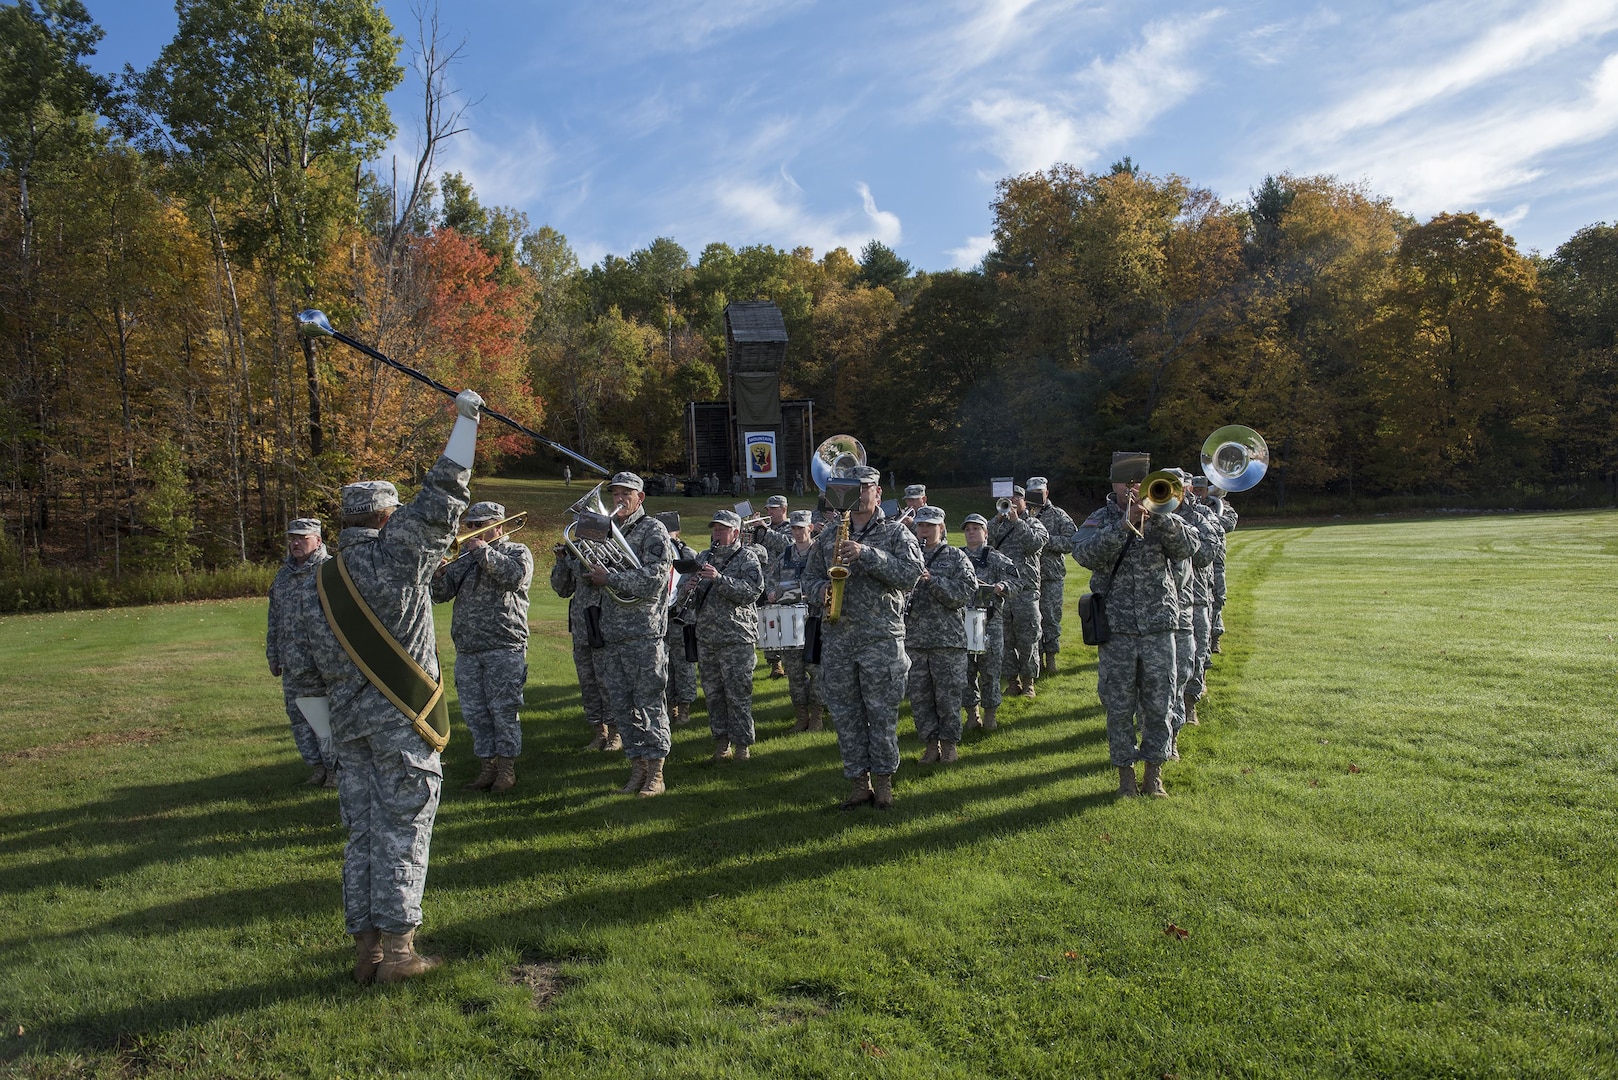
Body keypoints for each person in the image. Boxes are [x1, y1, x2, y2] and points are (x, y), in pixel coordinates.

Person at [283, 387, 482, 983]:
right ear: (386, 516)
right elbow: (446, 491)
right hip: (402, 725)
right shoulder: (399, 555)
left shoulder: (316, 580)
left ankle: (366, 949)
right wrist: (467, 421)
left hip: (347, 733)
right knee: (403, 831)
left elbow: (303, 674)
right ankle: (398, 952)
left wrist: (332, 741)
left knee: (362, 836)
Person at [1071, 451, 1194, 799]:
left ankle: (1154, 773)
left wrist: (1163, 518)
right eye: (1125, 482)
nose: (1132, 488)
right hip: (1117, 630)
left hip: (1158, 626)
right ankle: (1125, 776)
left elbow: (1190, 550)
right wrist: (1122, 526)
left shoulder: (1165, 512)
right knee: (1118, 703)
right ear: (1114, 484)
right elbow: (1083, 554)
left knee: (1160, 702)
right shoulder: (1099, 518)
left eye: (1138, 481)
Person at [803, 465, 923, 810]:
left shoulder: (896, 534)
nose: (860, 495)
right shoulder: (828, 536)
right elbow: (807, 580)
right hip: (838, 638)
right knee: (845, 716)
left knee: (881, 716)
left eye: (866, 488)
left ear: (878, 493)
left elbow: (911, 575)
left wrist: (867, 553)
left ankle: (884, 785)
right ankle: (859, 784)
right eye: (853, 489)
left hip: (880, 640)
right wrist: (821, 590)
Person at [430, 501, 533, 793]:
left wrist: (482, 551)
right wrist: (438, 577)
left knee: (503, 711)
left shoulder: (516, 551)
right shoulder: (465, 557)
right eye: (471, 525)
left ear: (497, 526)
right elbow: (442, 595)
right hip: (468, 648)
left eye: (480, 525)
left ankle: (506, 770)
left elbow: (513, 578)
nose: (473, 530)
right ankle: (487, 767)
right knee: (475, 713)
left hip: (504, 644)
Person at [587, 472, 675, 797]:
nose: (619, 499)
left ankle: (656, 774)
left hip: (644, 632)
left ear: (640, 497)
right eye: (615, 493)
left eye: (627, 493)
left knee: (650, 703)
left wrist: (611, 579)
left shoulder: (654, 529)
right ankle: (637, 769)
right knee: (623, 707)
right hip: (614, 633)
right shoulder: (608, 531)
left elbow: (655, 576)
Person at [680, 509, 764, 761]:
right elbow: (691, 598)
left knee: (738, 693)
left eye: (722, 529)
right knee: (714, 693)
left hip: (737, 637)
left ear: (735, 532)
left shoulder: (747, 557)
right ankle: (721, 742)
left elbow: (752, 592)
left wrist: (719, 578)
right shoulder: (704, 556)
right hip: (707, 637)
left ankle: (742, 746)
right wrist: (687, 589)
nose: (716, 533)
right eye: (714, 529)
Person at [903, 506, 975, 765]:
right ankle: (930, 745)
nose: (925, 530)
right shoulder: (909, 557)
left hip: (947, 641)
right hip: (914, 640)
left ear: (941, 528)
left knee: (948, 697)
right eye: (921, 525)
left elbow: (966, 592)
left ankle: (950, 745)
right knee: (921, 698)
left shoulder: (955, 557)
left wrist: (932, 580)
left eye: (930, 526)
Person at [267, 517, 333, 786]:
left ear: (317, 540)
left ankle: (335, 770)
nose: (295, 543)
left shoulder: (330, 570)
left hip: (323, 663)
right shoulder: (283, 574)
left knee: (326, 719)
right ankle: (317, 767)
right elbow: (275, 616)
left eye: (302, 538)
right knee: (299, 718)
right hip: (292, 663)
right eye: (292, 538)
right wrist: (273, 654)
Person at [765, 509, 824, 731]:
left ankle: (817, 716)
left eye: (801, 528)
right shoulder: (785, 556)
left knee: (817, 670)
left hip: (815, 619)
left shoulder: (819, 554)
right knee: (795, 671)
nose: (797, 532)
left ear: (810, 528)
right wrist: (771, 593)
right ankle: (801, 716)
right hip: (790, 621)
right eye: (794, 528)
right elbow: (770, 581)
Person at [959, 513, 1018, 732]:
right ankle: (972, 714)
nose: (971, 532)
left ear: (986, 533)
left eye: (976, 528)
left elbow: (1016, 581)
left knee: (990, 671)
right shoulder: (957, 557)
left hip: (989, 621)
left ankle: (990, 714)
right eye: (968, 529)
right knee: (965, 671)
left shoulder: (996, 558)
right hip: (963, 622)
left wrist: (1001, 587)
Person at [989, 485, 1047, 698]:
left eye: (1016, 498)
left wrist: (1016, 521)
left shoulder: (1034, 524)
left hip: (1026, 590)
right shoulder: (996, 524)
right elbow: (985, 540)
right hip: (1002, 589)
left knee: (1028, 638)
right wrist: (998, 518)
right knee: (1005, 640)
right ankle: (1012, 681)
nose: (1011, 501)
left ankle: (1029, 682)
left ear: (1025, 501)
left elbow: (1034, 544)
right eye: (1007, 498)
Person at [1182, 477, 1226, 725]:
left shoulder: (1201, 516)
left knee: (1196, 654)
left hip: (1197, 596)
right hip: (1161, 602)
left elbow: (1207, 554)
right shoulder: (1146, 513)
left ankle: (1190, 704)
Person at [1026, 477, 1077, 677]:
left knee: (1051, 618)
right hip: (1029, 577)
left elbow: (1072, 541)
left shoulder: (1058, 515)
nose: (1037, 496)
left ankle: (1052, 657)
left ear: (1047, 493)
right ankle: (1034, 660)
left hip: (1051, 576)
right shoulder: (1022, 516)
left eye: (1040, 492)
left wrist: (1045, 541)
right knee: (1031, 620)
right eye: (1033, 493)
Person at [660, 512, 700, 727]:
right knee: (663, 664)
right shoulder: (655, 553)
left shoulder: (688, 553)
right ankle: (668, 707)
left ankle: (684, 708)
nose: (667, 535)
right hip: (661, 617)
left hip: (682, 618)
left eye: (670, 531)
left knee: (684, 666)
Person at [751, 495, 793, 678]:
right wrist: (754, 529)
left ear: (783, 509)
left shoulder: (792, 527)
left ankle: (790, 661)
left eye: (773, 509)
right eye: (767, 509)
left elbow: (788, 545)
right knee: (767, 622)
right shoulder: (763, 529)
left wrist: (764, 529)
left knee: (786, 622)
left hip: (783, 581)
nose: (769, 512)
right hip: (763, 579)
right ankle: (775, 663)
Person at [1210, 487, 1238, 654]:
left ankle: (1215, 637)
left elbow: (1229, 523)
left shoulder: (1221, 506)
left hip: (1215, 563)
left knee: (1217, 598)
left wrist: (1209, 511)